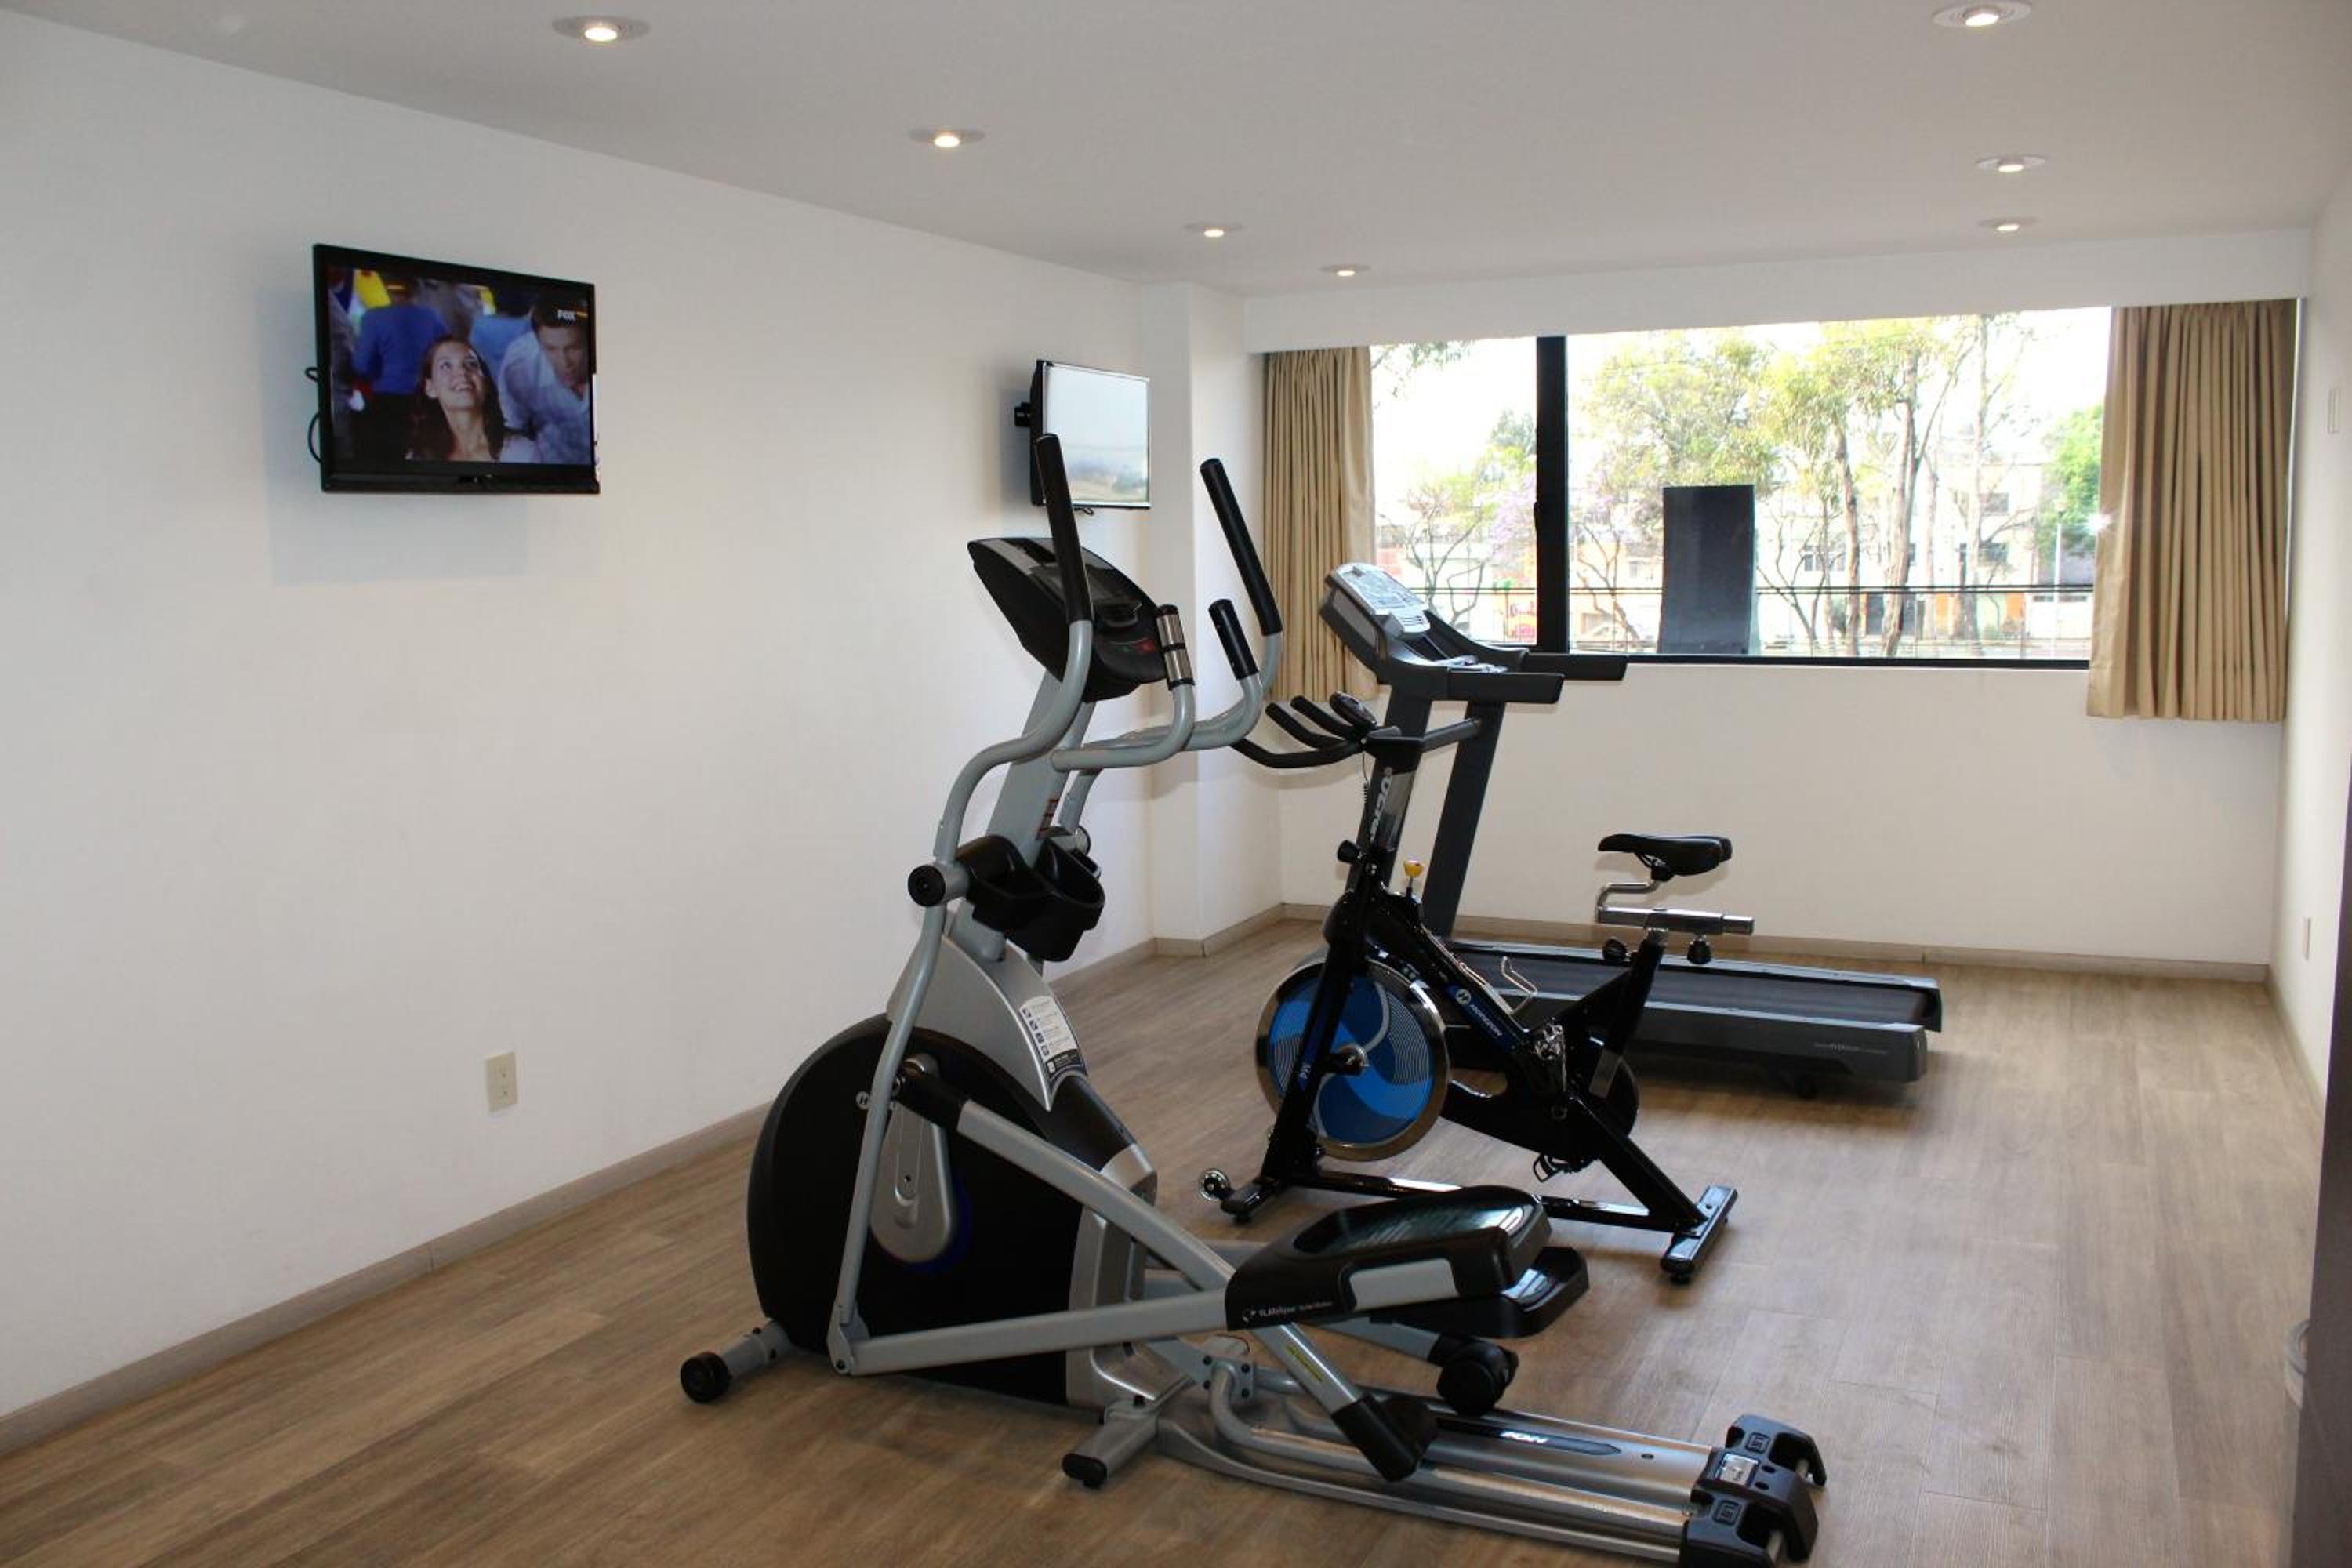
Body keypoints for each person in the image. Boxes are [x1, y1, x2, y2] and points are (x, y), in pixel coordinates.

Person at [350, 274, 447, 462]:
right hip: (425, 402)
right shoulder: (433, 317)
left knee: (385, 463)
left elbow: (362, 367)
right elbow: (446, 358)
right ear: (416, 290)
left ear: (387, 289)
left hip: (386, 404)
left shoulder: (374, 318)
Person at [496, 295, 593, 465]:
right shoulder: (519, 365)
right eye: (551, 349)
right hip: (551, 466)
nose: (565, 363)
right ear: (538, 341)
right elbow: (512, 430)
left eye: (574, 348)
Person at [405, 337, 537, 463]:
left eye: (472, 363)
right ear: (430, 388)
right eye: (446, 366)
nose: (462, 372)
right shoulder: (418, 458)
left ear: (485, 383)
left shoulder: (523, 453)